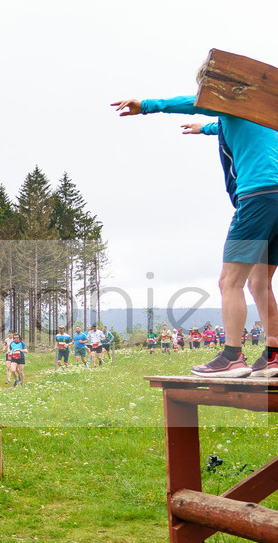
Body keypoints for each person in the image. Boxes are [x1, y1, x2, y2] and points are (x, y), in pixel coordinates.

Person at [114, 91, 278, 378]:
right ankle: (274, 356)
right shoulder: (266, 114)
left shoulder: (234, 101)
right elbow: (229, 126)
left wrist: (148, 106)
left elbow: (195, 103)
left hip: (257, 197)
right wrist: (205, 129)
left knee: (230, 282)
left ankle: (232, 357)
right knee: (260, 283)